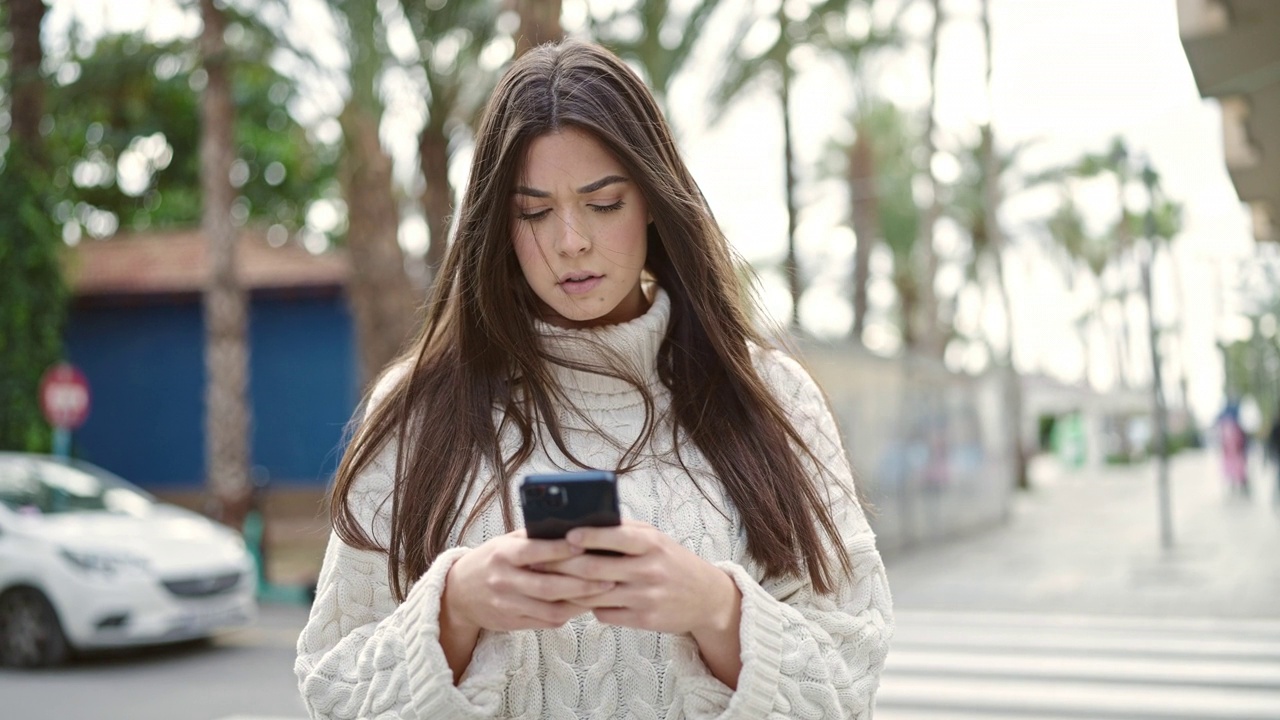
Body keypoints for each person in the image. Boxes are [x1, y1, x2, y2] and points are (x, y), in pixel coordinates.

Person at [295, 39, 893, 719]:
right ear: (497, 225)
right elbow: (333, 684)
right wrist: (455, 607)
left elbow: (850, 671)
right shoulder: (420, 408)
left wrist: (715, 609)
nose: (570, 241)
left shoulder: (770, 395)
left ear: (653, 204)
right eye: (534, 212)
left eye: (602, 203)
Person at [1217, 400, 1249, 496]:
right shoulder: (1235, 429)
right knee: (1236, 471)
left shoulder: (1231, 429)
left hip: (1235, 455)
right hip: (1235, 455)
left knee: (1236, 471)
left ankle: (1239, 486)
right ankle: (1239, 486)